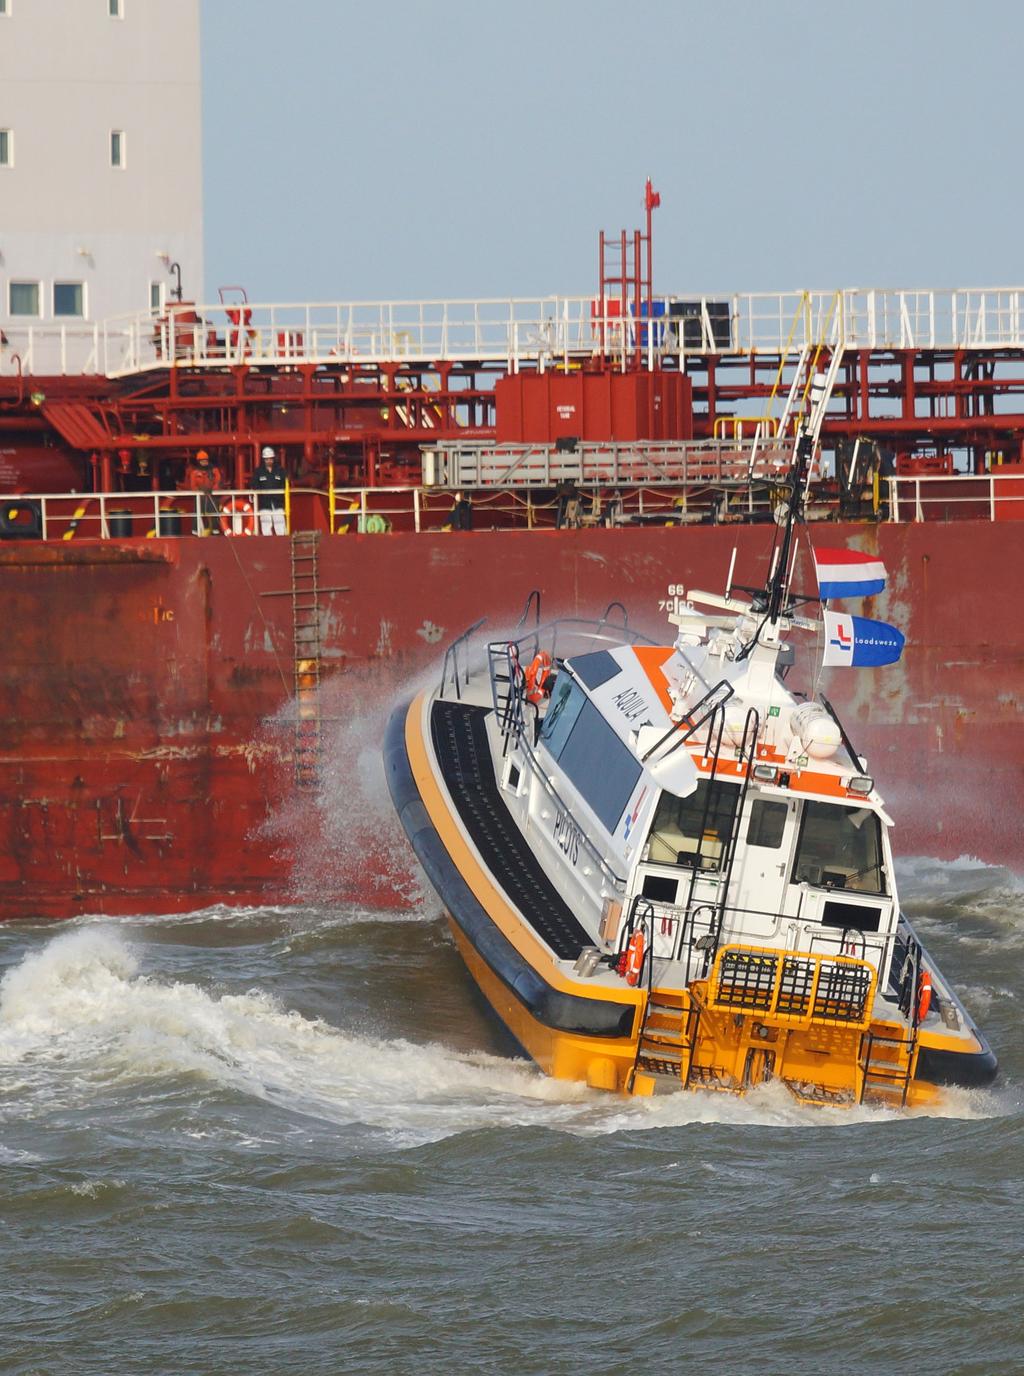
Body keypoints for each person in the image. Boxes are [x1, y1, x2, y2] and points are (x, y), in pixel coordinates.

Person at [252, 446, 287, 535]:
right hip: (264, 504)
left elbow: (285, 484)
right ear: (263, 459)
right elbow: (254, 485)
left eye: (270, 459)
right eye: (267, 459)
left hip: (278, 503)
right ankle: (268, 545)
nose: (269, 461)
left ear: (273, 458)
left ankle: (281, 544)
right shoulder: (258, 472)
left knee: (280, 525)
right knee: (266, 525)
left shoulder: (280, 471)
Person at [186, 449, 223, 534]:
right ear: (198, 461)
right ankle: (195, 530)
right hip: (200, 497)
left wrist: (213, 489)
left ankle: (215, 529)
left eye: (205, 460)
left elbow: (218, 481)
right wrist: (200, 490)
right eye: (202, 461)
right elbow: (193, 486)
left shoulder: (214, 471)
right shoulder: (194, 473)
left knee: (214, 511)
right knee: (198, 512)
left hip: (212, 496)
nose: (204, 462)